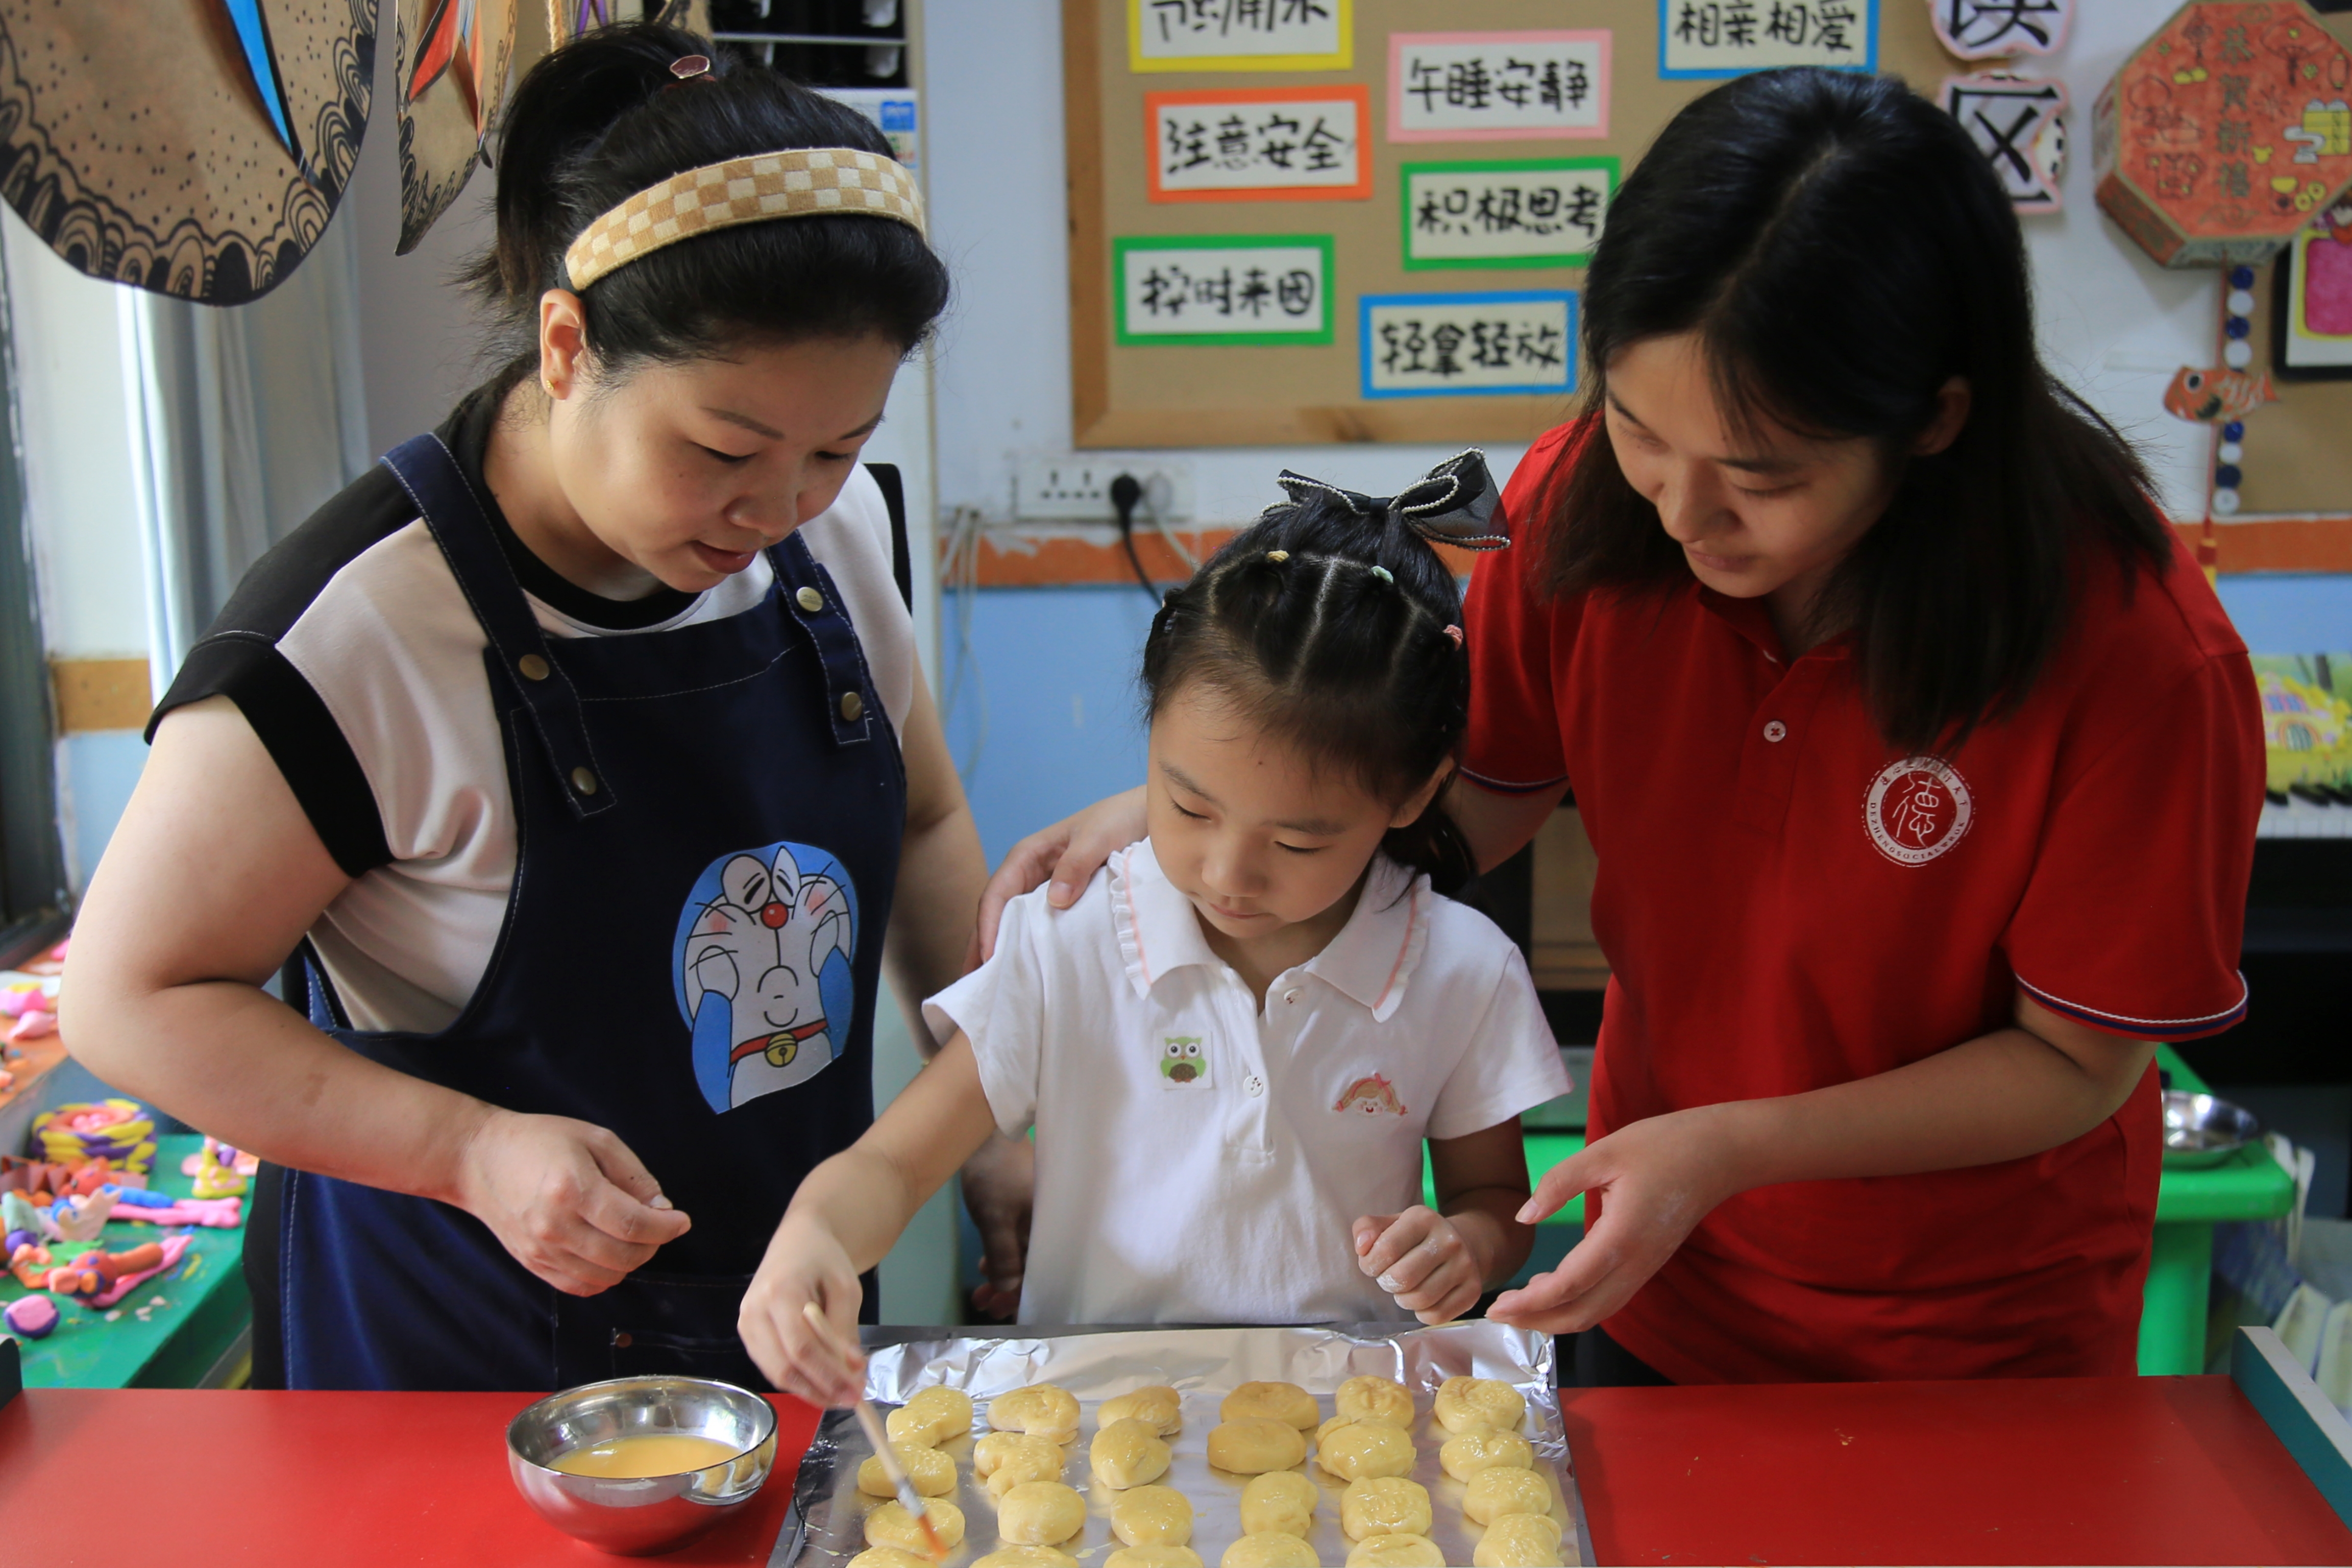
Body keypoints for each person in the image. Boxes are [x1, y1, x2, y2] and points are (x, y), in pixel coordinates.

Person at [973, 68, 2263, 1386]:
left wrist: (1728, 1146)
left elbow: (2074, 1066)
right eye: (1641, 429)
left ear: (1933, 422)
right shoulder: (1588, 512)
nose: (1685, 514)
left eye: (1762, 477)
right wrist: (1218, 822)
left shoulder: (2137, 658)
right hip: (1656, 1282)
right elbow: (1458, 805)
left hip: (1978, 1334)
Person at [60, 22, 1030, 1390]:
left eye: (838, 446)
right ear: (568, 346)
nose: (778, 510)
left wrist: (980, 1120)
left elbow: (925, 818)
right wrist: (468, 1149)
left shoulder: (834, 542)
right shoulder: (357, 634)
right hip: (461, 1353)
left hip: (773, 1302)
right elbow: (129, 998)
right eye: (724, 450)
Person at [742, 459, 1573, 1403]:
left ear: (1416, 793)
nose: (1228, 874)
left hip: (1349, 1427)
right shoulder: (1072, 942)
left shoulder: (1459, 972)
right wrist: (816, 1232)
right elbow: (892, 1165)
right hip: (1089, 1425)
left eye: (1298, 841)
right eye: (1186, 807)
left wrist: (1466, 1245)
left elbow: (1496, 1203)